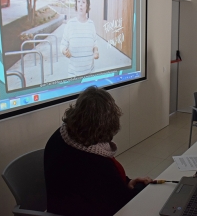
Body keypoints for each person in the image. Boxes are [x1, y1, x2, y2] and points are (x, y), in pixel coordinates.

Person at [44, 86, 153, 216]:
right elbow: (121, 203)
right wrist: (141, 188)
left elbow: (108, 189)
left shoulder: (60, 135)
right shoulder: (96, 164)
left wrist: (128, 182)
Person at [61, 0, 99, 77]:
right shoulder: (70, 24)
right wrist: (64, 51)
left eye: (83, 1)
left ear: (87, 5)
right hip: (74, 76)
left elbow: (95, 43)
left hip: (90, 75)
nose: (81, 4)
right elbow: (63, 44)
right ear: (76, 5)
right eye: (78, 1)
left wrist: (96, 51)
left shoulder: (91, 24)